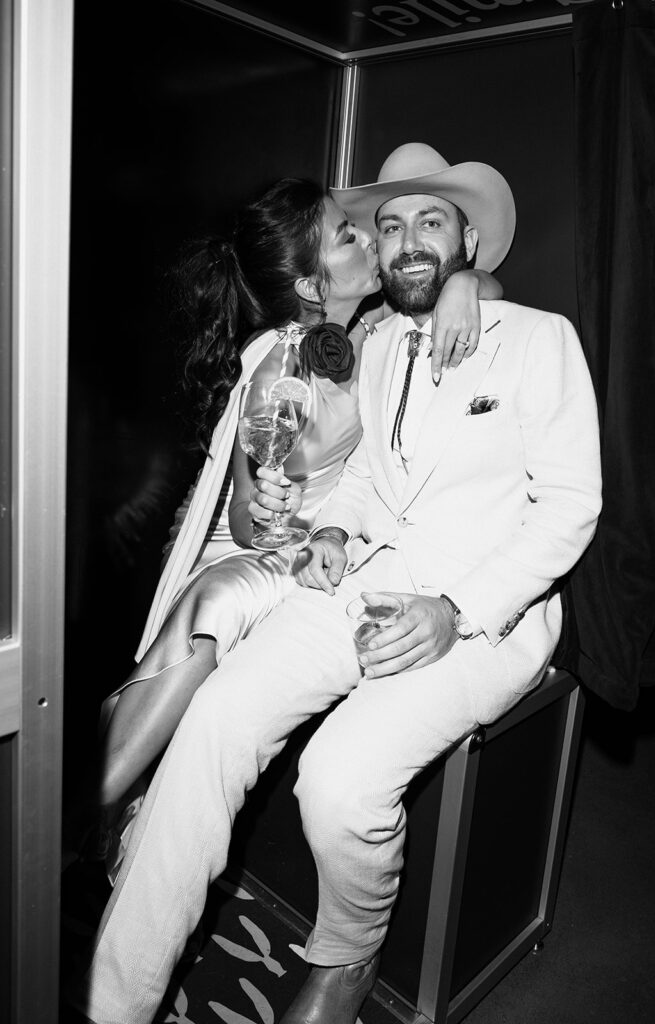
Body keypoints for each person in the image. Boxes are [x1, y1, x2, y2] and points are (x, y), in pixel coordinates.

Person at [72, 143, 601, 1024]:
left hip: (482, 613)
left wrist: (454, 611)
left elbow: (570, 508)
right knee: (214, 720)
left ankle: (346, 955)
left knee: (339, 782)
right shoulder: (376, 340)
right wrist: (328, 529)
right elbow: (362, 480)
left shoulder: (541, 339)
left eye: (431, 219)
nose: (404, 239)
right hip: (361, 578)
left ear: (469, 237)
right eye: (387, 225)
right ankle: (112, 1001)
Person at [84, 174, 502, 879]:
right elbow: (245, 518)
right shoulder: (276, 360)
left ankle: (115, 801)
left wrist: (464, 285)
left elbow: (485, 292)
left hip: (324, 548)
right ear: (312, 287)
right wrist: (269, 508)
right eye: (348, 235)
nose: (371, 238)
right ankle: (81, 811)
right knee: (222, 599)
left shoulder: (373, 334)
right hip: (255, 549)